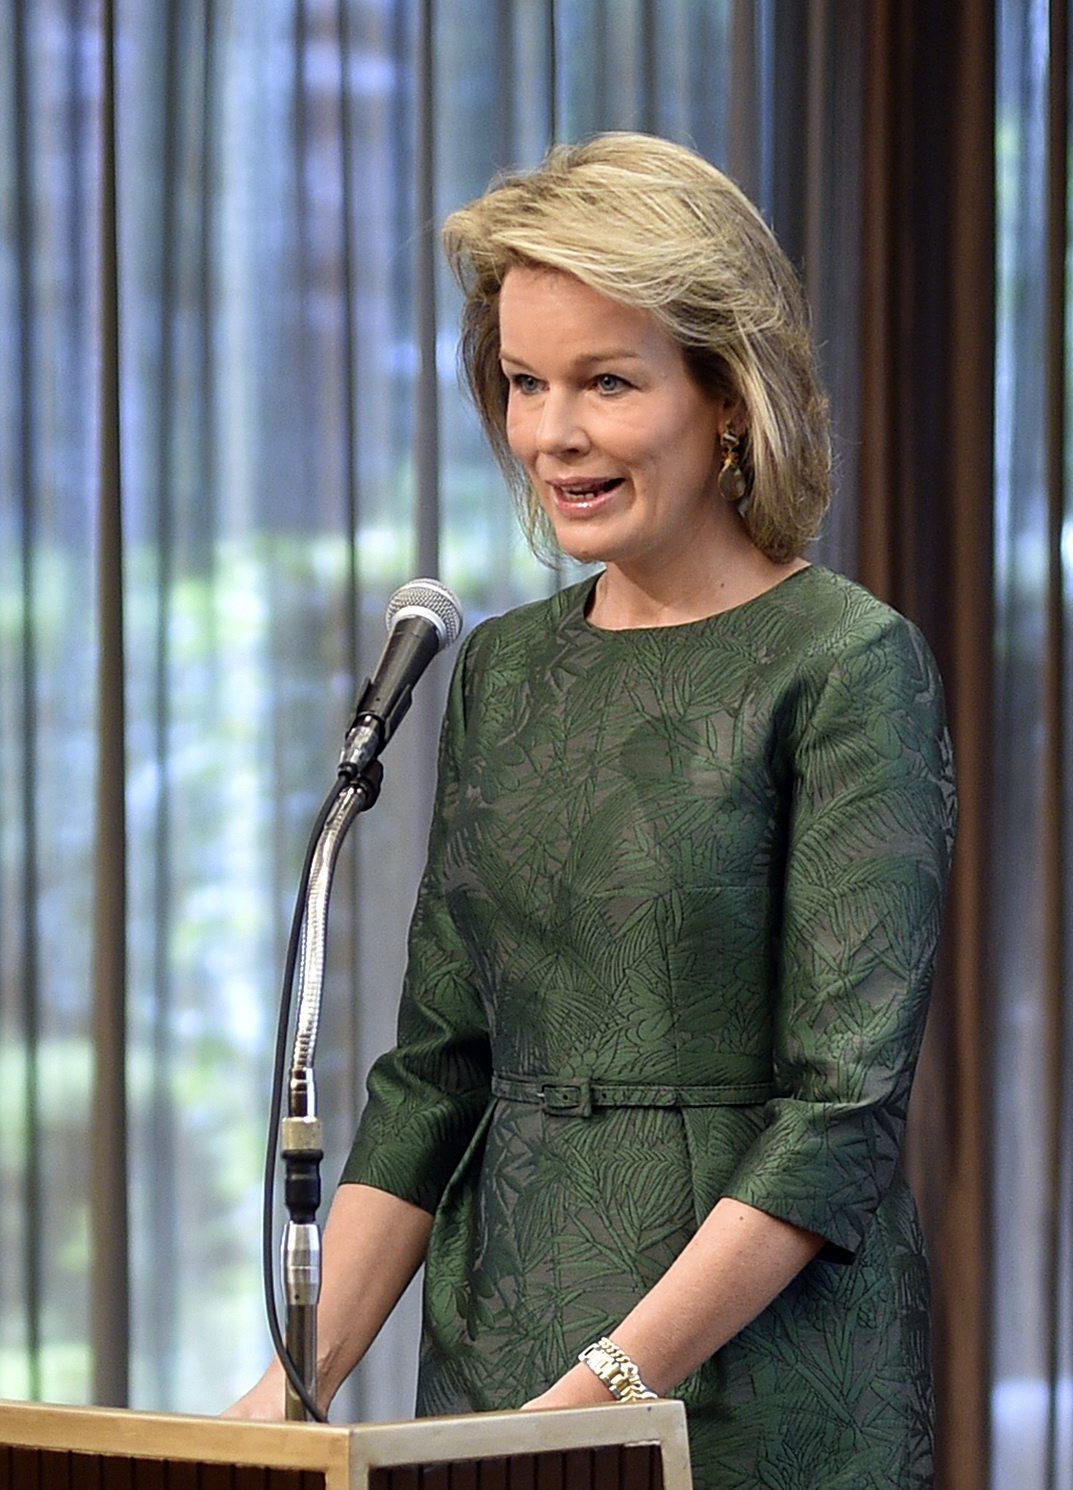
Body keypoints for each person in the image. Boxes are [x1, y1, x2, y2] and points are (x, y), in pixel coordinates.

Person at [225, 132, 955, 1490]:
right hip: (501, 1360)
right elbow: (437, 1074)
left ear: (727, 395)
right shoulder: (502, 670)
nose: (551, 434)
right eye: (524, 383)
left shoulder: (848, 666)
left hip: (757, 1392)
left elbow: (839, 1114)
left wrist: (604, 1391)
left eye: (606, 382)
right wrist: (291, 1384)